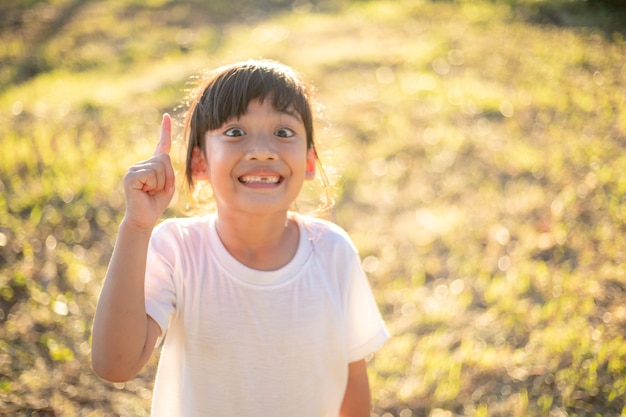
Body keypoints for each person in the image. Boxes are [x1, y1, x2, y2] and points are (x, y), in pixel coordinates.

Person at [91, 59, 389, 417]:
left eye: (283, 132)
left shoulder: (332, 250)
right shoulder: (178, 250)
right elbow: (114, 364)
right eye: (235, 133)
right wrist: (136, 228)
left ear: (309, 161)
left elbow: (352, 376)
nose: (262, 150)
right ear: (199, 163)